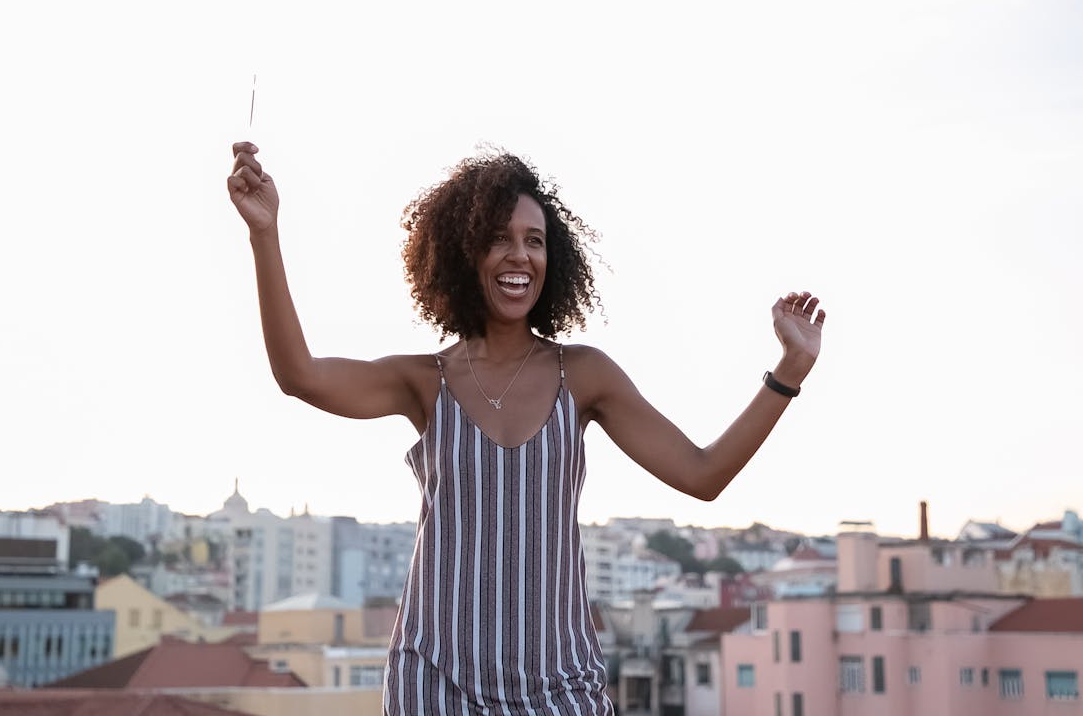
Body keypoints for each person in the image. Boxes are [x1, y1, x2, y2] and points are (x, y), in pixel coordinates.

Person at [226, 143, 825, 716]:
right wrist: (264, 235)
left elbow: (703, 474)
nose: (520, 256)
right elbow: (299, 375)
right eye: (499, 239)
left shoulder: (584, 375)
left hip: (559, 688)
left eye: (534, 241)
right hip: (434, 684)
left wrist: (789, 372)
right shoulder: (424, 380)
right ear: (464, 253)